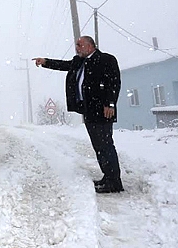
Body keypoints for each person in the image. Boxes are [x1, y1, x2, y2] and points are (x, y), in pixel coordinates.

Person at [33, 36, 124, 193]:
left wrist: (110, 103)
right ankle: (108, 177)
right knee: (99, 146)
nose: (77, 47)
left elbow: (114, 83)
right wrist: (45, 61)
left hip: (102, 110)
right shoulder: (79, 61)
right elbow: (63, 65)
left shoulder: (105, 59)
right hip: (89, 110)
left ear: (90, 46)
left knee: (105, 145)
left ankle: (114, 182)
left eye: (79, 45)